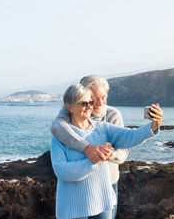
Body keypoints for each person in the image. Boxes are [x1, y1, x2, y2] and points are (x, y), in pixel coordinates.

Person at [51, 84, 163, 219]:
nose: (89, 107)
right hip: (73, 208)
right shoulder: (60, 136)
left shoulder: (102, 129)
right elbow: (61, 170)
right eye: (83, 103)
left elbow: (130, 136)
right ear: (69, 107)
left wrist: (153, 125)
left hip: (102, 203)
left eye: (90, 102)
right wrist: (92, 162)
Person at [51, 75, 126, 218]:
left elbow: (123, 153)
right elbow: (56, 127)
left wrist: (108, 154)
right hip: (79, 186)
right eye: (94, 98)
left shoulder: (112, 115)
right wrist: (88, 149)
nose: (99, 103)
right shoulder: (72, 112)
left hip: (107, 184)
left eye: (104, 97)